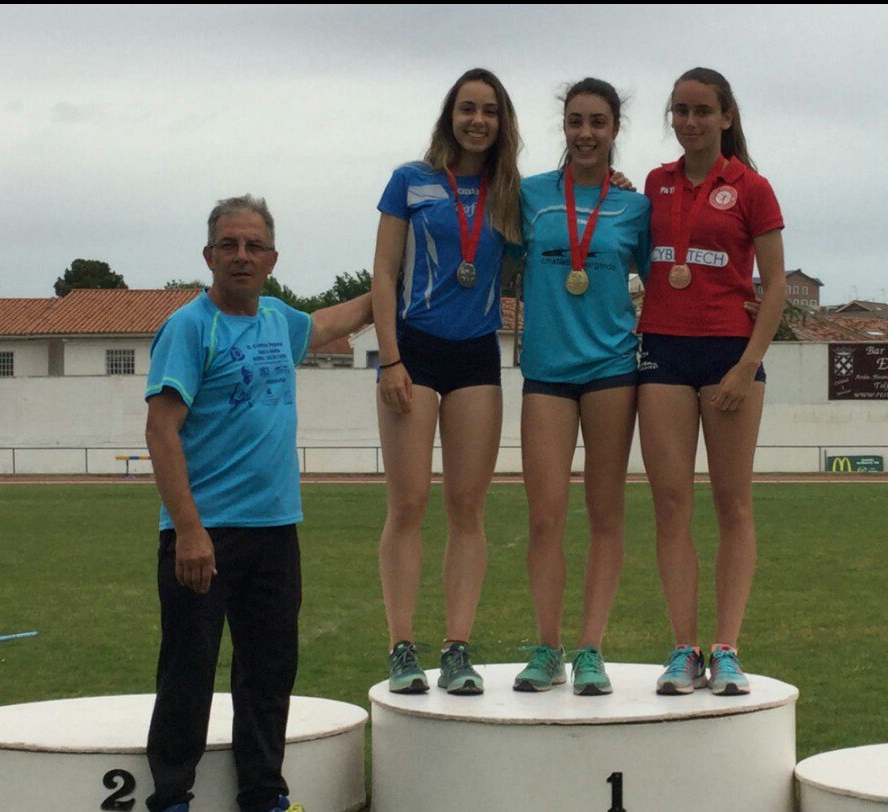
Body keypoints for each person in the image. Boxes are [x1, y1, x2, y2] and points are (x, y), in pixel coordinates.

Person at [143, 194, 372, 812]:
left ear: (272, 257)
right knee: (188, 673)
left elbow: (330, 323)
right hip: (204, 535)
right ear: (208, 255)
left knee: (268, 674)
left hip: (275, 530)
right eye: (229, 245)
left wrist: (390, 284)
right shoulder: (190, 327)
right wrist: (189, 532)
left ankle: (263, 793)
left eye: (253, 246)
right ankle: (170, 797)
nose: (241, 256)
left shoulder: (278, 320)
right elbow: (161, 429)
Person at [371, 68, 523, 695]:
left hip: (476, 358)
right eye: (467, 108)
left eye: (489, 110)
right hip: (414, 350)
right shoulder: (410, 180)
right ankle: (401, 647)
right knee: (408, 504)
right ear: (450, 115)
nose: (477, 120)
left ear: (501, 121)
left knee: (467, 506)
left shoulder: (512, 192)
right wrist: (391, 359)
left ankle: (457, 648)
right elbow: (382, 273)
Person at [638, 67, 786, 696]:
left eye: (702, 110)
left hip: (731, 354)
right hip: (663, 351)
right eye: (680, 110)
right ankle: (682, 648)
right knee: (671, 505)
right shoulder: (654, 184)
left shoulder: (752, 187)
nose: (690, 121)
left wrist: (747, 363)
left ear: (726, 117)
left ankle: (725, 648)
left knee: (732, 504)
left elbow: (776, 286)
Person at [512, 78, 651, 696]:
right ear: (563, 127)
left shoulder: (635, 207)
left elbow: (670, 281)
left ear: (615, 129)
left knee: (605, 515)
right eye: (575, 121)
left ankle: (591, 649)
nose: (586, 133)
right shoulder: (529, 195)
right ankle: (548, 647)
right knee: (545, 516)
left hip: (612, 371)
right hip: (545, 372)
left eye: (598, 122)